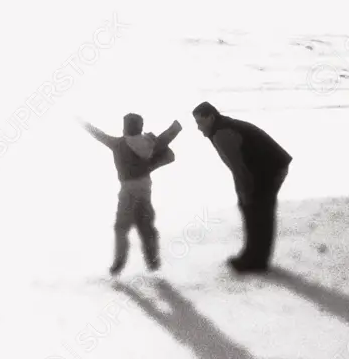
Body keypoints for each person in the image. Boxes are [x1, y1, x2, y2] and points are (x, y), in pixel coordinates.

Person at [192, 101, 292, 273]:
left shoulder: (221, 133)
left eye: (200, 122)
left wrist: (245, 192)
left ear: (211, 117)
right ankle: (251, 256)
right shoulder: (219, 128)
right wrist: (243, 193)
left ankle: (257, 261)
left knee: (258, 210)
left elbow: (239, 167)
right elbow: (238, 166)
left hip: (270, 167)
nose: (198, 128)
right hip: (264, 166)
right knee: (253, 208)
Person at [81, 114, 183, 276]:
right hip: (144, 186)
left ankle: (119, 263)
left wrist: (84, 123)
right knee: (145, 224)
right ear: (140, 127)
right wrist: (174, 128)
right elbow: (166, 140)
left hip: (128, 189)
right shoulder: (149, 143)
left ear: (125, 127)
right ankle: (153, 261)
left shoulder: (118, 144)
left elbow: (99, 135)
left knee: (121, 227)